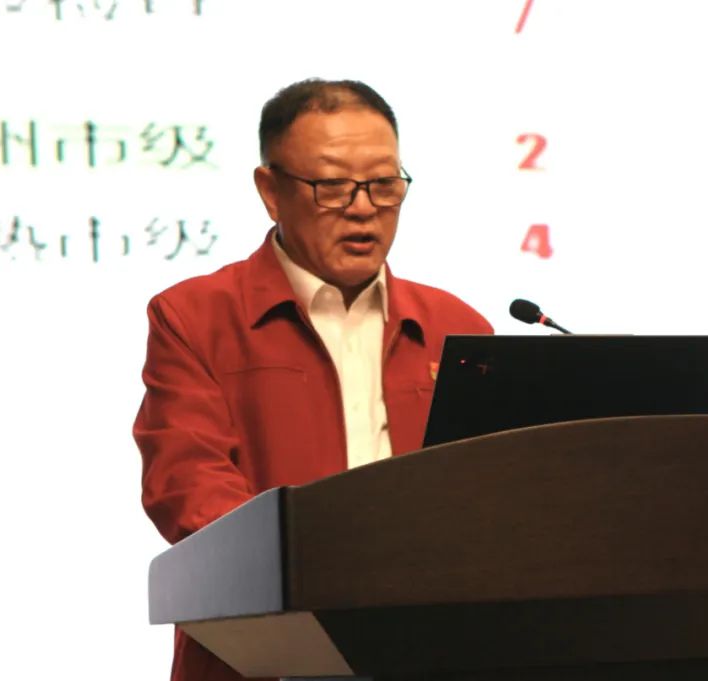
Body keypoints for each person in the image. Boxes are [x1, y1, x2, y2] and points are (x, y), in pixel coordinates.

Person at [133, 78, 493, 681]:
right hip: (263, 649)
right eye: (332, 187)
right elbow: (187, 486)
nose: (363, 208)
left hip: (429, 647)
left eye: (384, 184)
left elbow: (492, 493)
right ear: (270, 191)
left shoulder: (455, 327)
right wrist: (314, 566)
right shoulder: (195, 316)